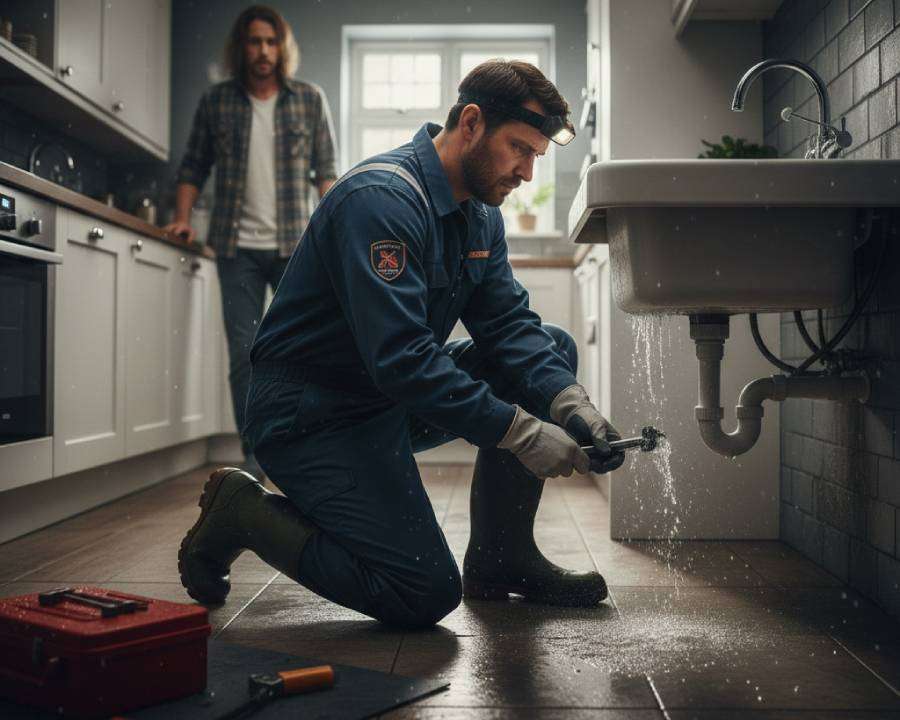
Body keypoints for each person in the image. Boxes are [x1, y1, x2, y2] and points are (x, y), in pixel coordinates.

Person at [178, 59, 625, 629]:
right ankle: (243, 513)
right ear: (471, 122)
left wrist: (570, 404)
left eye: (536, 155)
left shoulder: (479, 214)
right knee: (422, 592)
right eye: (520, 149)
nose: (527, 172)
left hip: (380, 401)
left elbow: (509, 325)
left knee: (552, 349)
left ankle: (501, 561)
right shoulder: (382, 201)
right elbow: (403, 360)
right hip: (310, 417)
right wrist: (522, 431)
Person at [165, 5, 337, 476]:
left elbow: (327, 172)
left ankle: (295, 449)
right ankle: (255, 456)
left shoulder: (309, 99)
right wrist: (182, 218)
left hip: (294, 247)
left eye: (270, 42)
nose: (262, 51)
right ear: (241, 48)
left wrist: (334, 230)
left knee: (295, 352)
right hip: (235, 248)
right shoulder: (217, 101)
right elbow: (193, 166)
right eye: (253, 42)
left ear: (282, 48)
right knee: (245, 354)